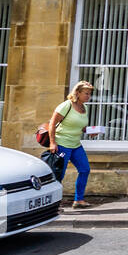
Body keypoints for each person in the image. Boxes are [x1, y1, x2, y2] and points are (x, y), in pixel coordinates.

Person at [49, 81, 95, 209]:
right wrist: (52, 143)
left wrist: (89, 131)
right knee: (59, 174)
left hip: (75, 145)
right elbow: (52, 124)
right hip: (62, 144)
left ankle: (78, 200)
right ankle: (54, 204)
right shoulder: (66, 105)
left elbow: (81, 126)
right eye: (86, 93)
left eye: (90, 94)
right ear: (77, 93)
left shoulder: (84, 108)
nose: (88, 96)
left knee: (85, 170)